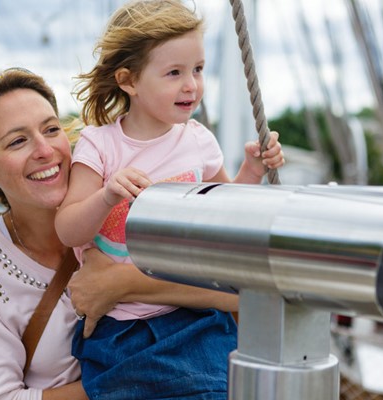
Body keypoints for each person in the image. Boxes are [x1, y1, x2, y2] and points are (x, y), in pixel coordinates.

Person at [0, 68, 239, 400]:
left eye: (51, 129)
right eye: (17, 141)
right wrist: (136, 378)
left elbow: (239, 291)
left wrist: (120, 284)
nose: (44, 150)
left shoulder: (122, 206)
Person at [54, 1, 285, 399]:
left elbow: (227, 210)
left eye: (197, 69)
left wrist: (253, 170)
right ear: (129, 81)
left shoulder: (197, 141)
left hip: (194, 319)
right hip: (120, 329)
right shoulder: (100, 144)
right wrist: (107, 196)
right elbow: (68, 227)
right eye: (174, 73)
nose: (191, 85)